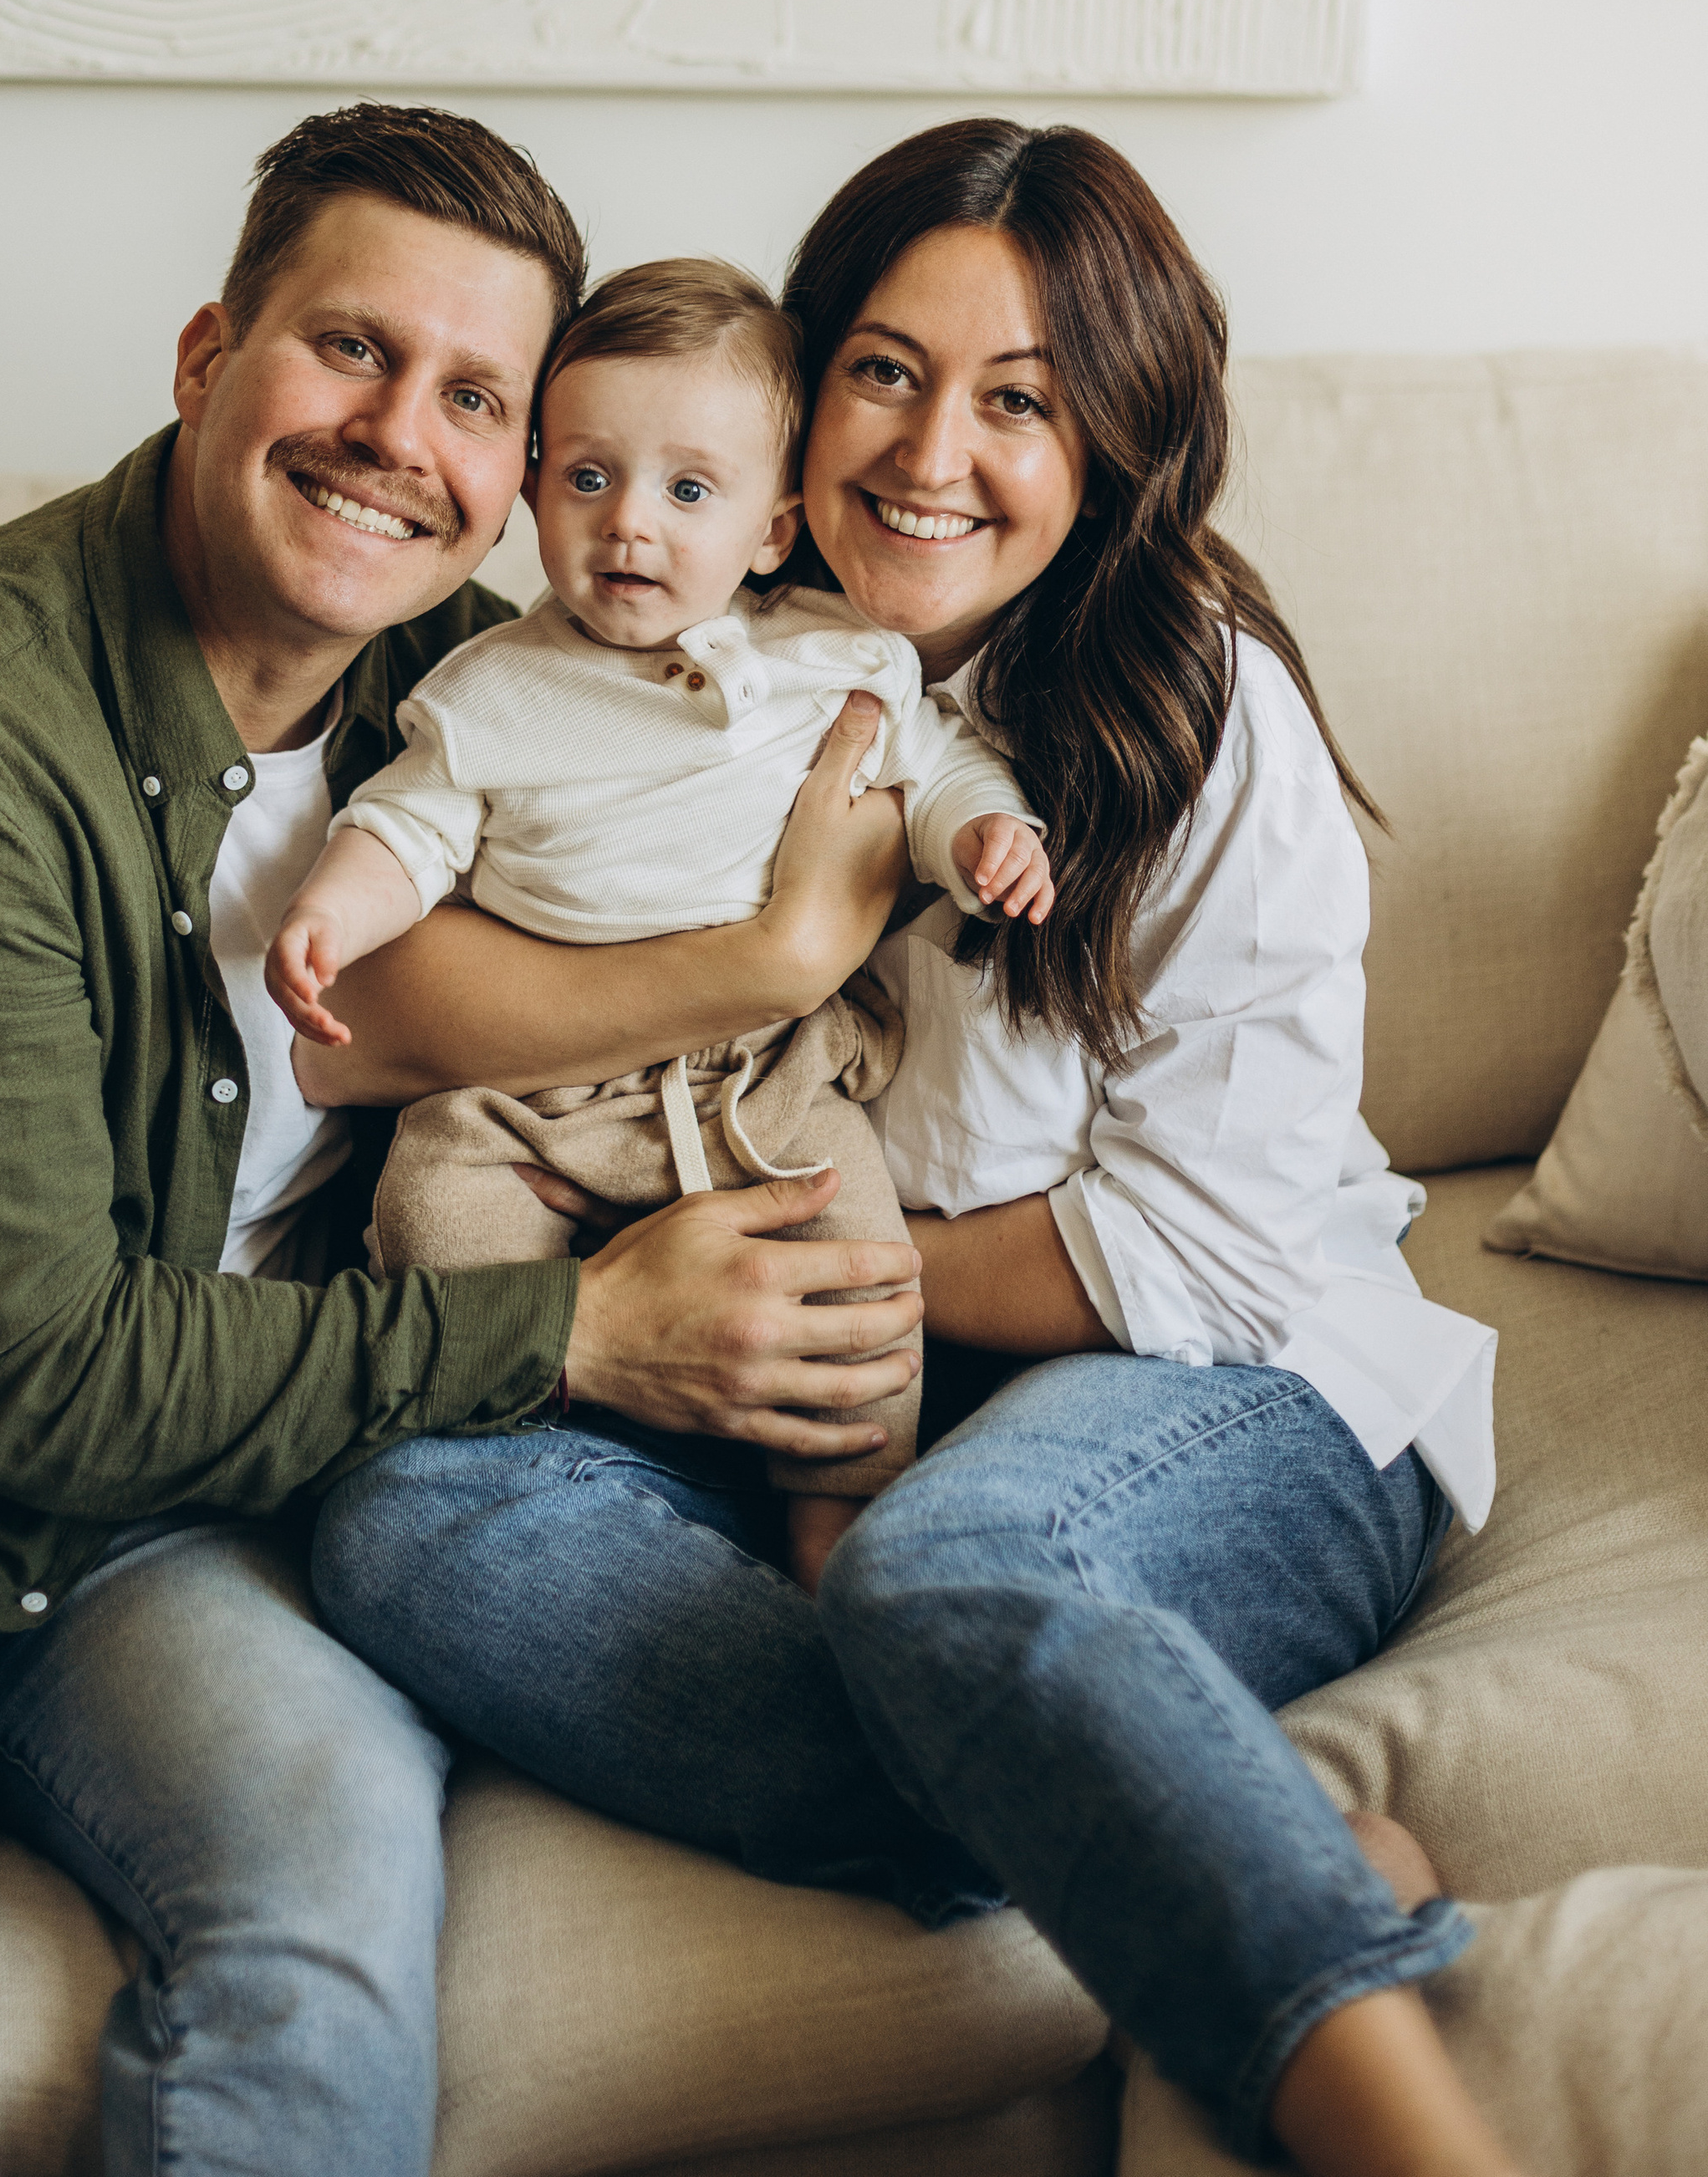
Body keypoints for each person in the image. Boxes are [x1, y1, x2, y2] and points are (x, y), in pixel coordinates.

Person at [0, 104, 925, 2177]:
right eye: (350, 349)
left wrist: (778, 956)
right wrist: (573, 1328)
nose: (399, 436)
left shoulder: (472, 693)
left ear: (521, 465)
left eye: (473, 396)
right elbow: (34, 1377)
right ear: (209, 355)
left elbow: (601, 944)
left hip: (167, 1522)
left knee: (333, 1918)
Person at [305, 118, 1522, 2177]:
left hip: (1230, 1381)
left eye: (1018, 400)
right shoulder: (671, 626)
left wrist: (768, 1286)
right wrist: (748, 1001)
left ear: (1112, 440)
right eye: (883, 371)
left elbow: (1208, 1257)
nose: (931, 452)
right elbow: (380, 1016)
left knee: (945, 1570)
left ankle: (1387, 2110)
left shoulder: (1193, 708)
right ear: (799, 401)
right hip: (815, 1372)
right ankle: (1186, 1805)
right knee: (403, 1522)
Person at [269, 256, 1053, 1547]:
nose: (630, 522)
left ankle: (834, 1526)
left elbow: (933, 765)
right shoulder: (489, 690)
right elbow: (408, 825)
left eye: (689, 491)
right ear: (533, 489)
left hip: (769, 1079)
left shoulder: (835, 658)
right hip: (532, 1093)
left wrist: (985, 832)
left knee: (862, 1282)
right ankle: (520, 1455)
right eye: (590, 478)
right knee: (431, 1206)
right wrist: (331, 917)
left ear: (772, 530)